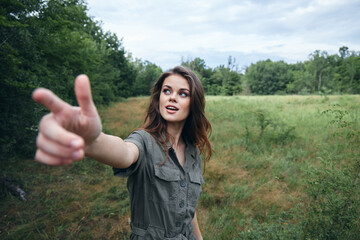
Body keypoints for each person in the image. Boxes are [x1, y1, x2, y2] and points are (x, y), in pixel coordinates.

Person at [32, 66, 213, 239]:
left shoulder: (193, 152)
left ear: (194, 103)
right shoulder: (144, 140)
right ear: (159, 98)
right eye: (167, 91)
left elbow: (189, 208)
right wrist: (92, 142)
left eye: (182, 94)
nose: (172, 98)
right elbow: (125, 152)